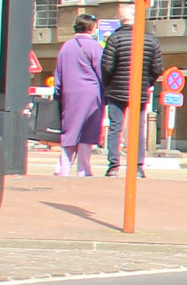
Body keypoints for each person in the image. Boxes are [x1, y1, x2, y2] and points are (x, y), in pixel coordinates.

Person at [99, 18, 165, 178]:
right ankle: (137, 167)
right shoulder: (150, 40)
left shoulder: (114, 39)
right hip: (139, 90)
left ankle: (114, 166)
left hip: (116, 89)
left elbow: (107, 66)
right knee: (138, 129)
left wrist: (108, 84)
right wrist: (147, 82)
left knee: (116, 127)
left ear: (122, 21)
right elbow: (157, 68)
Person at [52, 15, 104, 177]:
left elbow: (58, 73)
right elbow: (102, 72)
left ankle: (64, 168)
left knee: (71, 130)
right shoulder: (95, 47)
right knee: (88, 131)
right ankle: (84, 169)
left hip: (70, 94)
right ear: (91, 28)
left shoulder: (66, 47)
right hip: (91, 94)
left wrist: (58, 93)